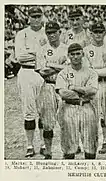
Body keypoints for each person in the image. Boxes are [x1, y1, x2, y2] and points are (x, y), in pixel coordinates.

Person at [55, 43, 99, 159]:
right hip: (69, 108)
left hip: (87, 107)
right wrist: (83, 93)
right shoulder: (63, 73)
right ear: (68, 55)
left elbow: (93, 91)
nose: (75, 57)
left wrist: (74, 88)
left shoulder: (91, 72)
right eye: (72, 54)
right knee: (69, 144)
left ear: (83, 54)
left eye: (78, 54)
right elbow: (63, 93)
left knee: (90, 142)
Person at [83, 22, 106, 157]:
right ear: (91, 33)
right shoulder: (86, 50)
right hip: (92, 87)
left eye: (100, 32)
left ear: (105, 33)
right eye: (95, 32)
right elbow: (85, 71)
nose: (98, 34)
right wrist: (100, 71)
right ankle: (97, 147)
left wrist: (95, 71)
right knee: (92, 120)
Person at [15, 6, 47, 157]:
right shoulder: (22, 34)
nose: (36, 19)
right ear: (29, 18)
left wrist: (33, 53)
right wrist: (40, 54)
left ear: (42, 16)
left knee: (44, 111)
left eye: (38, 16)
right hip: (26, 72)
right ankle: (29, 145)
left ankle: (42, 144)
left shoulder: (48, 32)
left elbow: (52, 54)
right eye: (33, 16)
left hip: (44, 73)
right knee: (29, 111)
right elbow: (20, 57)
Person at [36, 21, 69, 159]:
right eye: (49, 33)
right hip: (48, 85)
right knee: (48, 122)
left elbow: (70, 68)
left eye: (54, 32)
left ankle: (67, 151)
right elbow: (42, 72)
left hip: (63, 86)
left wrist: (50, 64)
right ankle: (48, 152)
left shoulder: (67, 48)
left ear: (59, 32)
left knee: (66, 121)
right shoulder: (42, 49)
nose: (51, 35)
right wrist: (60, 66)